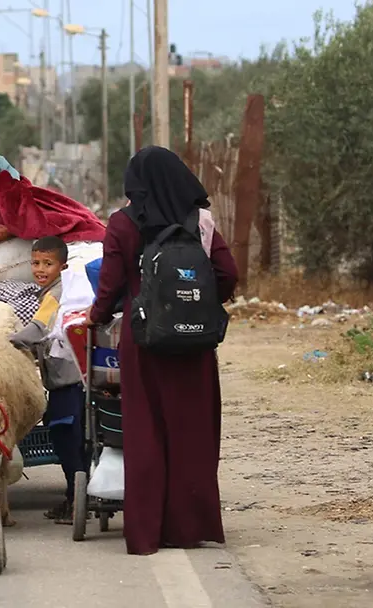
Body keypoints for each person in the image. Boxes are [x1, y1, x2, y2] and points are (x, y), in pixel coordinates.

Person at [88, 146, 238, 556]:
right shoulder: (200, 220)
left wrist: (95, 317)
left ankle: (147, 531)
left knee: (146, 433)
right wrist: (200, 301)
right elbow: (228, 273)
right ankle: (189, 526)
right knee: (192, 430)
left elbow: (110, 284)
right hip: (193, 342)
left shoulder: (122, 223)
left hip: (144, 340)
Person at [9, 236, 87, 524]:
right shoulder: (58, 290)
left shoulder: (56, 294)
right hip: (72, 379)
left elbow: (38, 329)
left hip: (68, 381)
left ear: (62, 267)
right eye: (35, 263)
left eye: (48, 264)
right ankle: (77, 497)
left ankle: (76, 501)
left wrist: (3, 342)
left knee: (66, 439)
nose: (40, 269)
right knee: (74, 439)